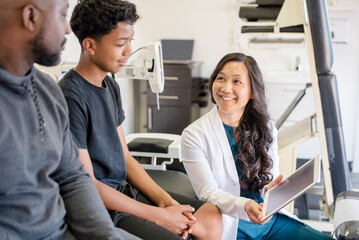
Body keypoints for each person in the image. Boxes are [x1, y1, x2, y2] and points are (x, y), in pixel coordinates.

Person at [58, 1, 222, 240]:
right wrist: (159, 216)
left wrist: (166, 203)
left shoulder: (110, 85)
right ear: (90, 45)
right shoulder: (70, 97)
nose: (128, 51)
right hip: (101, 209)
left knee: (211, 218)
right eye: (120, 43)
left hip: (124, 193)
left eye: (130, 41)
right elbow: (87, 184)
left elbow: (124, 157)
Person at [0, 0, 139, 239]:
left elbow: (72, 176)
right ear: (30, 17)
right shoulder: (68, 93)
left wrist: (106, 235)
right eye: (62, 15)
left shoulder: (46, 91)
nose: (67, 28)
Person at [181, 52, 335, 240]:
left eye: (237, 81)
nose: (226, 88)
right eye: (221, 78)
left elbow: (269, 178)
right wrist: (244, 206)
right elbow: (208, 192)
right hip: (233, 225)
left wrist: (272, 192)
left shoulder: (267, 127)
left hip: (269, 219)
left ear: (252, 91)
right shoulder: (194, 134)